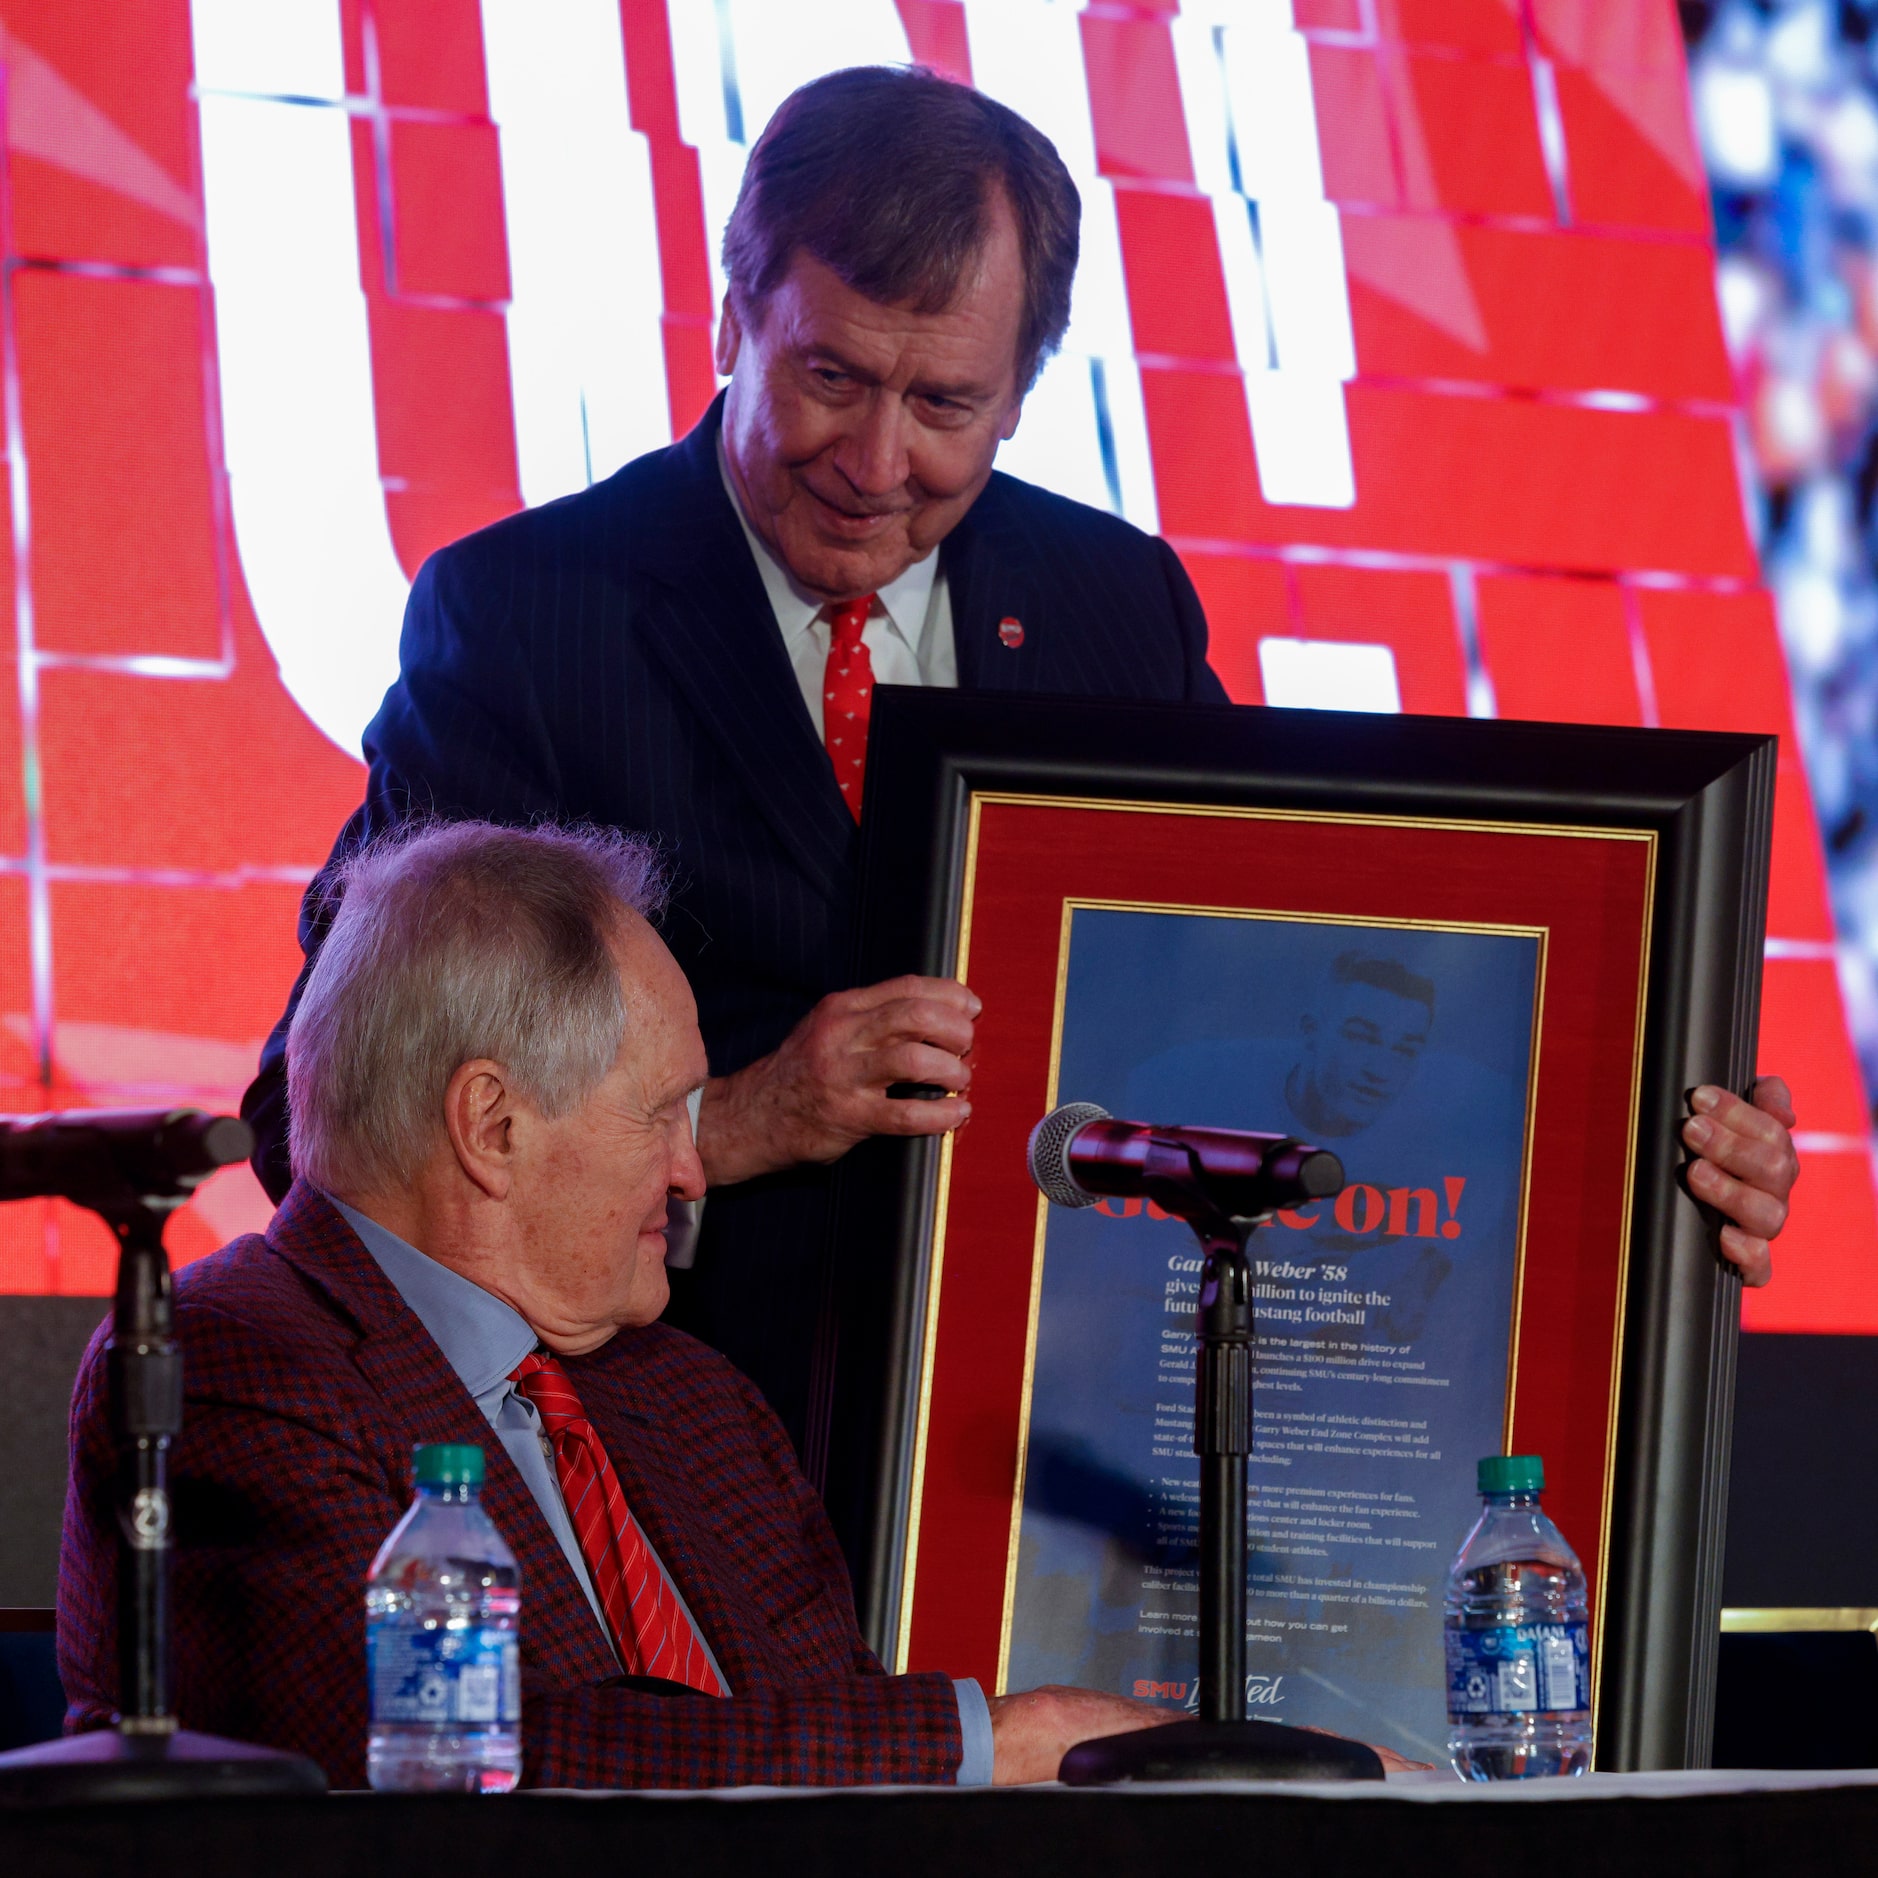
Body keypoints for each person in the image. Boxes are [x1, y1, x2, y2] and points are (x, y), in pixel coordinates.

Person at [240, 66, 1800, 1455]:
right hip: (666, 1471)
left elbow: (1283, 1005)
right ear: (731, 320)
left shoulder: (1116, 605)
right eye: (828, 377)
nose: (874, 464)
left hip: (1069, 1453)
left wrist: (1652, 1145)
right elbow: (322, 1114)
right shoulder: (522, 617)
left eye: (945, 405)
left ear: (1023, 387)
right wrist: (737, 1118)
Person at [59, 821, 1214, 1788]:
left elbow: (838, 1748)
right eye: (660, 1115)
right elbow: (458, 1760)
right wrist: (995, 1739)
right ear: (493, 1127)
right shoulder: (230, 1363)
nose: (694, 1171)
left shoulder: (687, 1395)